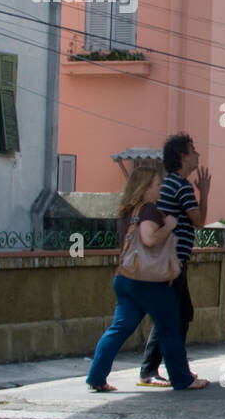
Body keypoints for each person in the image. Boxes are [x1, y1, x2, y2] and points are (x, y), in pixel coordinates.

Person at [86, 163, 208, 391]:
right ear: (144, 187)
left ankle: (96, 377)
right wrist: (169, 226)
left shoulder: (127, 211)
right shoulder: (148, 209)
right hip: (150, 282)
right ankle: (183, 379)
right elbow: (149, 239)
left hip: (126, 278)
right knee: (170, 327)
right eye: (156, 183)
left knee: (119, 328)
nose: (161, 187)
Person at [138, 134, 211, 387]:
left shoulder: (170, 183)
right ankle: (172, 371)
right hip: (174, 263)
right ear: (182, 156)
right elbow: (199, 221)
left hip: (169, 261)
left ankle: (153, 369)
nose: (197, 154)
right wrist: (205, 193)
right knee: (179, 315)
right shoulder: (181, 186)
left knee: (172, 315)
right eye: (193, 150)